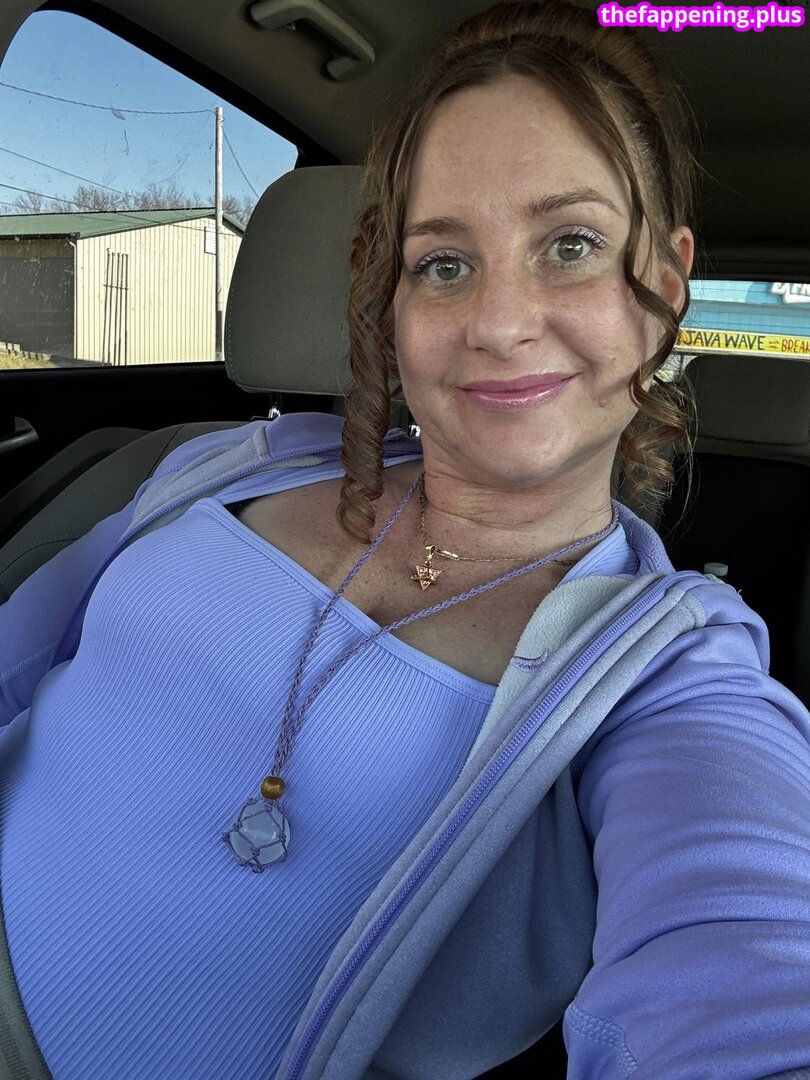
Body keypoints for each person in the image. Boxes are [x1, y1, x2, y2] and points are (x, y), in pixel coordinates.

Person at [1, 1, 809, 1077]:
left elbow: (742, 958)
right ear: (393, 304)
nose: (498, 323)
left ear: (662, 291)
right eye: (443, 264)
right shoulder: (223, 464)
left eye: (569, 246)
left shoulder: (668, 672)